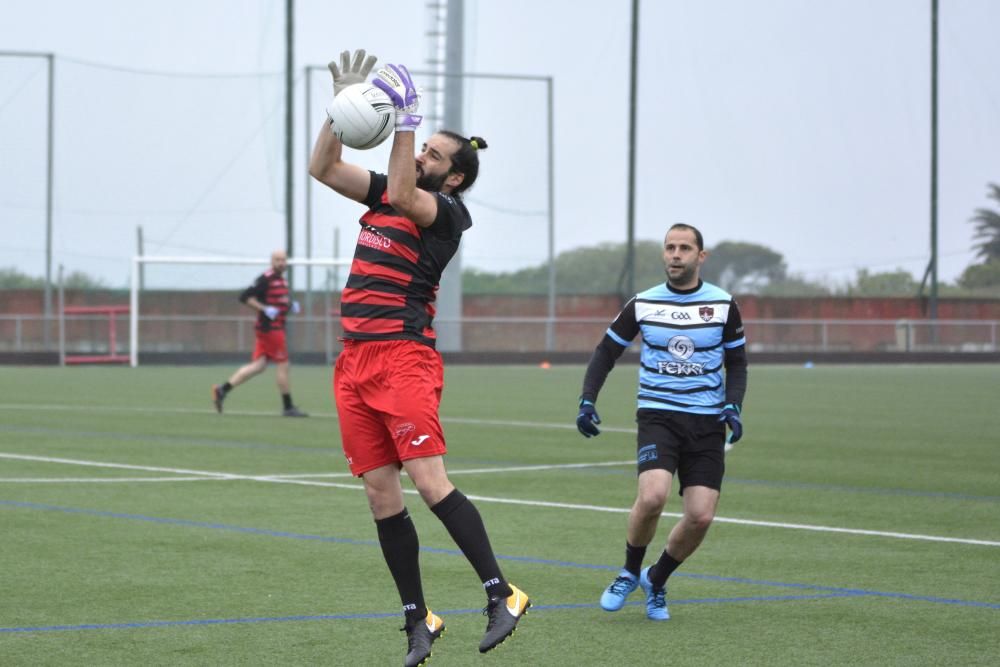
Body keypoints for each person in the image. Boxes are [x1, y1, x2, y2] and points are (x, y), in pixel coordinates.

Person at [308, 50, 530, 667]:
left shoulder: (446, 215)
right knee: (382, 497)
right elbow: (321, 165)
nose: (421, 153)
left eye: (433, 152)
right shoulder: (385, 195)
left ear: (453, 178)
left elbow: (406, 187)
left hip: (404, 360)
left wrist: (406, 119)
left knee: (431, 484)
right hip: (354, 364)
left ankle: (502, 591)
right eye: (421, 144)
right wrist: (341, 107)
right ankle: (419, 618)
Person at [576, 223, 748, 621]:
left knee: (701, 514)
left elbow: (737, 363)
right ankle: (629, 571)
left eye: (684, 248)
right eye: (670, 247)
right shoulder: (644, 303)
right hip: (658, 415)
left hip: (706, 422)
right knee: (652, 496)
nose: (675, 254)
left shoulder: (722, 305)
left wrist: (733, 407)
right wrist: (587, 400)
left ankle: (657, 577)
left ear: (700, 257)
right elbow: (606, 352)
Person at [211, 249, 308, 417]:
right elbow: (245, 296)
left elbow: (279, 302)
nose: (281, 263)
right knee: (283, 365)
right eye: (277, 259)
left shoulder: (282, 281)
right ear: (272, 261)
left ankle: (222, 390)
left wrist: (290, 305)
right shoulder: (266, 279)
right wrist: (264, 309)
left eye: (283, 260)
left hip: (274, 328)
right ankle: (288, 407)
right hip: (270, 329)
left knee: (259, 366)